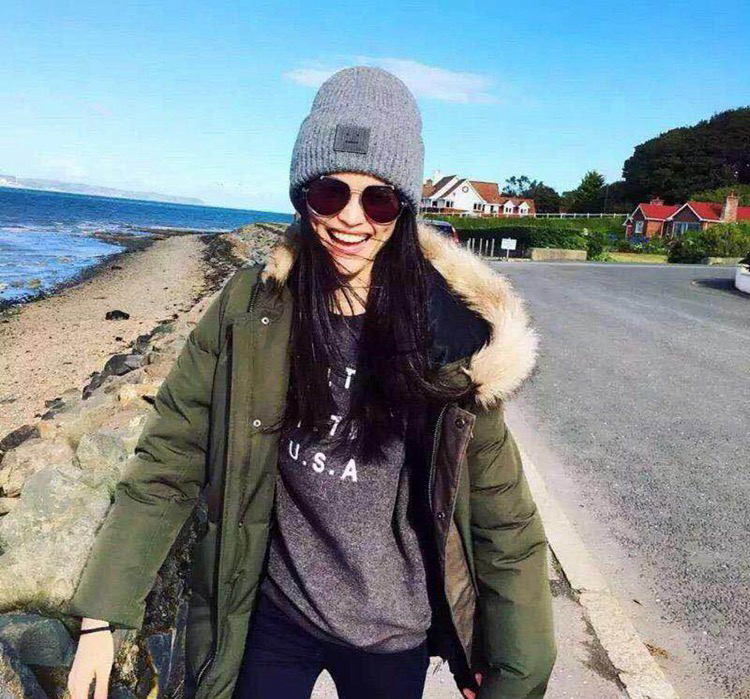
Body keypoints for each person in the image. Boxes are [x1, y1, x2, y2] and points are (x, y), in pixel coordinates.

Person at [65, 66, 556, 699]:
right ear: (302, 195)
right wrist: (102, 614)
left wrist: (514, 675)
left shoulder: (453, 341)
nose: (352, 219)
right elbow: (172, 454)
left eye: (378, 199)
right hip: (273, 612)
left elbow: (504, 526)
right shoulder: (253, 307)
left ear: (406, 208)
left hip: (393, 633)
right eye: (330, 193)